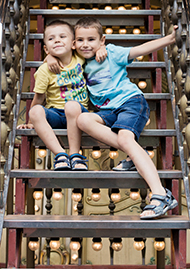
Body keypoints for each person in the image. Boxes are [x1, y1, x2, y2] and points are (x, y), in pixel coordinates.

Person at [73, 16, 177, 219]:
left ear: (102, 40)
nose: (86, 44)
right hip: (108, 111)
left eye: (91, 40)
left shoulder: (111, 52)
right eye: (80, 40)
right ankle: (135, 152)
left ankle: (160, 194)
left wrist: (169, 39)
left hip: (130, 102)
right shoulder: (77, 62)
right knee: (83, 120)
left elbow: (139, 50)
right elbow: (54, 55)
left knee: (124, 138)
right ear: (73, 43)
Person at [21, 20, 105, 171]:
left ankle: (75, 155)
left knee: (71, 105)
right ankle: (60, 155)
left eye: (62, 36)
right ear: (46, 49)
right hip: (55, 114)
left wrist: (101, 48)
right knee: (35, 110)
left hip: (78, 115)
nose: (57, 40)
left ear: (73, 44)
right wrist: (31, 121)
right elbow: (38, 99)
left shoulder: (80, 58)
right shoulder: (44, 71)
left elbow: (92, 48)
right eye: (51, 38)